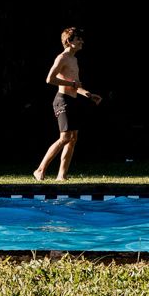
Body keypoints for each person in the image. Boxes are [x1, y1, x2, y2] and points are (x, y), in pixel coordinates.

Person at [34, 27, 102, 181]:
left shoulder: (74, 60)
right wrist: (71, 84)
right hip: (62, 100)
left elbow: (76, 85)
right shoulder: (62, 58)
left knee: (73, 138)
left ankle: (61, 175)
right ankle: (39, 170)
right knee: (65, 137)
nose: (82, 41)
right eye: (78, 39)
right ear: (69, 41)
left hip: (73, 100)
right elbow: (50, 79)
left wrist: (89, 94)